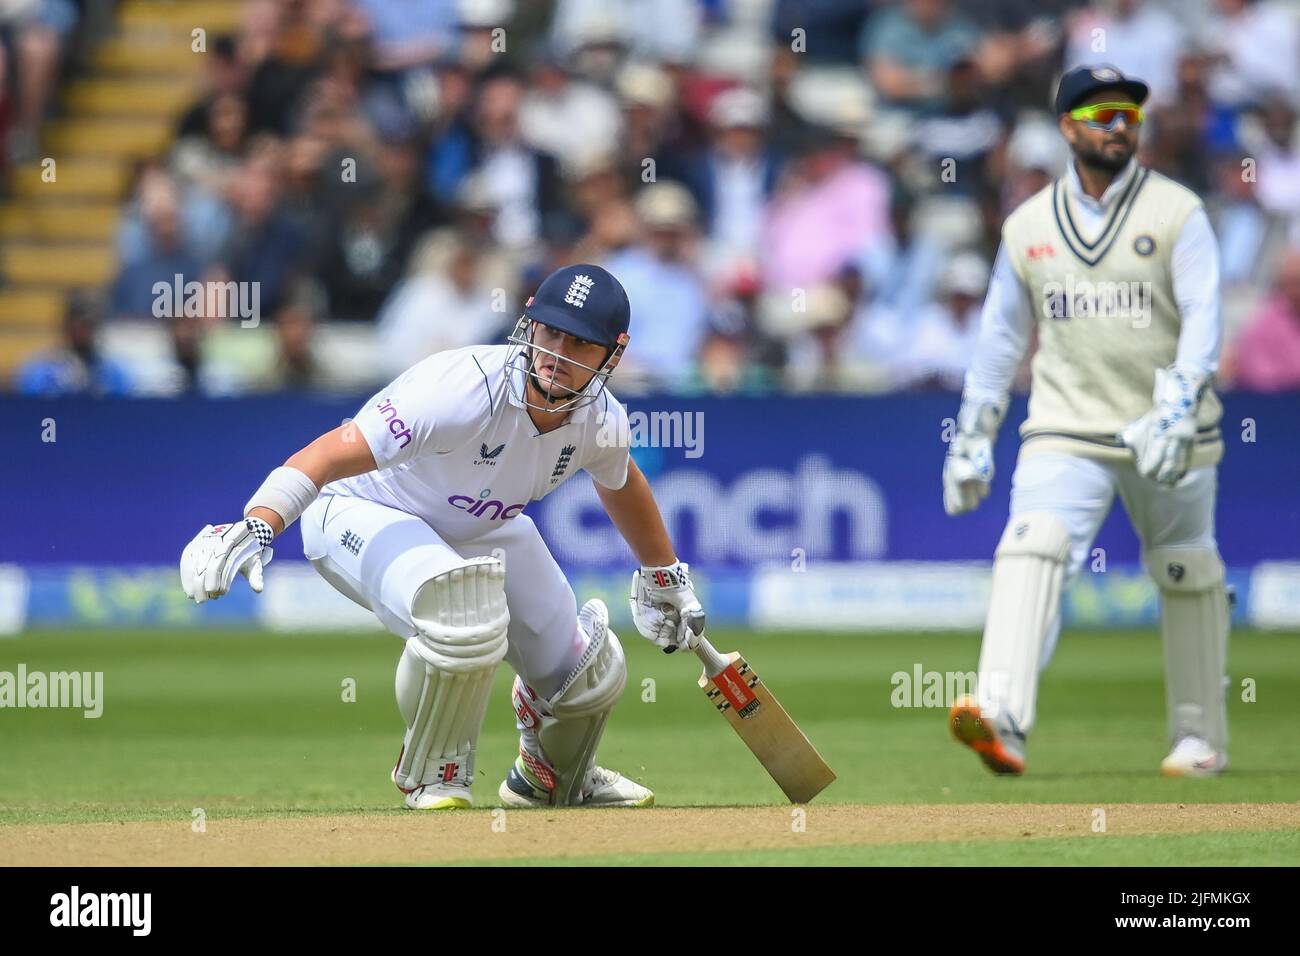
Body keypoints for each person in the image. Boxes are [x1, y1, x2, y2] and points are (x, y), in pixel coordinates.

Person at [178, 264, 706, 810]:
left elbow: (621, 482)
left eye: (580, 343)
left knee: (588, 669)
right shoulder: (461, 389)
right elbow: (332, 451)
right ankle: (434, 772)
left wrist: (663, 575)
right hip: (361, 510)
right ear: (529, 320)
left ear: (613, 354)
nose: (557, 353)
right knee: (461, 610)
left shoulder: (601, 420)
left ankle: (547, 778)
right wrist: (260, 522)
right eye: (550, 332)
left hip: (478, 528)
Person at [942, 66, 1230, 778]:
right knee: (1032, 543)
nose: (1119, 126)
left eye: (1130, 114)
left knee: (1185, 565)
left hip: (1170, 427)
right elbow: (1001, 339)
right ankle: (1001, 715)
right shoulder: (1029, 224)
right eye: (1102, 114)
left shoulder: (1177, 212)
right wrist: (974, 435)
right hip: (1066, 423)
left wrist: (1179, 403)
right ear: (1068, 126)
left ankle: (1200, 737)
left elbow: (1204, 315)